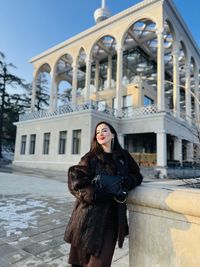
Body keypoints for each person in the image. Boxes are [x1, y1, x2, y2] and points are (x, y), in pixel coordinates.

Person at [64, 121, 143, 267]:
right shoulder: (91, 157)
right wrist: (94, 194)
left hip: (112, 218)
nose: (100, 134)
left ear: (113, 134)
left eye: (104, 130)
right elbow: (75, 180)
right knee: (80, 262)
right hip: (88, 218)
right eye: (98, 132)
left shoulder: (123, 157)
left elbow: (137, 175)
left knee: (100, 263)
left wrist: (126, 181)